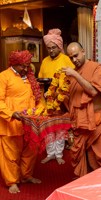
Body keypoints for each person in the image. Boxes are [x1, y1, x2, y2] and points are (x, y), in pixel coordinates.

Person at [62, 42, 101, 177]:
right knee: (80, 155)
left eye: (76, 55)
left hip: (96, 120)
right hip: (79, 122)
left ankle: (100, 188)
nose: (74, 60)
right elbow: (71, 98)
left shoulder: (97, 69)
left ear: (84, 51)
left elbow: (93, 91)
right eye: (71, 58)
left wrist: (75, 75)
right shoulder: (72, 73)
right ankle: (83, 185)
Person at [0, 50, 42, 194]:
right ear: (14, 64)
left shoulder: (29, 76)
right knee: (11, 155)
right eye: (22, 66)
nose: (26, 69)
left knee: (31, 152)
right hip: (11, 124)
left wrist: (41, 110)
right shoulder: (4, 76)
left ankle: (26, 176)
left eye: (27, 65)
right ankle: (12, 181)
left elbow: (37, 98)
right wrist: (11, 113)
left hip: (30, 123)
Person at [38, 28, 74, 165]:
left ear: (59, 46)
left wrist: (60, 92)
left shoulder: (66, 60)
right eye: (49, 48)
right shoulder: (45, 61)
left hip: (61, 100)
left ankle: (58, 153)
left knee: (59, 128)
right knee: (49, 128)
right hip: (47, 99)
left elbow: (72, 80)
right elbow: (41, 79)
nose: (51, 50)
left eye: (54, 47)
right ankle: (50, 153)